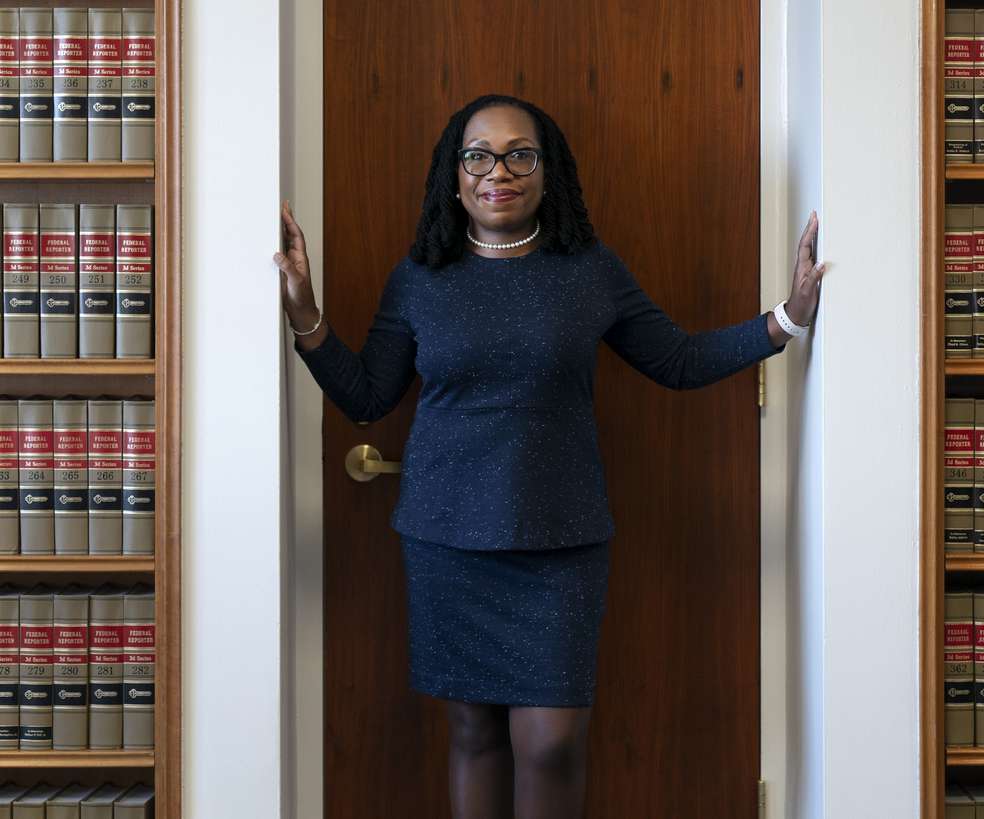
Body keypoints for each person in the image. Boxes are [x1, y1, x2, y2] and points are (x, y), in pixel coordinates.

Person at [274, 93, 824, 819]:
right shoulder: (420, 277)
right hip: (447, 540)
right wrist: (306, 313)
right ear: (453, 172)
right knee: (472, 732)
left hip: (561, 540)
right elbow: (369, 395)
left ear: (547, 170)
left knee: (551, 740)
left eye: (519, 154)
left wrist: (785, 318)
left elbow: (678, 360)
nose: (497, 171)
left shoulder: (589, 270)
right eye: (478, 155)